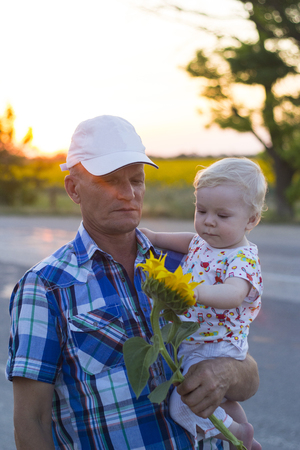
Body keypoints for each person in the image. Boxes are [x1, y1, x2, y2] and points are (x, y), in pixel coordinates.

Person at [6, 116, 260, 450]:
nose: (128, 193)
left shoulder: (185, 263)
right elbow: (31, 422)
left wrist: (225, 372)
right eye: (110, 181)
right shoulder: (46, 287)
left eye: (136, 180)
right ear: (73, 189)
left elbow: (248, 375)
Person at [141, 157, 267, 450]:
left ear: (251, 220)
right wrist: (156, 237)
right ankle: (242, 435)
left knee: (184, 404)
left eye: (222, 216)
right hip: (197, 339)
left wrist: (195, 291)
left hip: (217, 344)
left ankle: (236, 433)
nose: (208, 221)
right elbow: (188, 241)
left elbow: (234, 294)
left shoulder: (242, 258)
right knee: (222, 400)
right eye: (201, 210)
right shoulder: (204, 241)